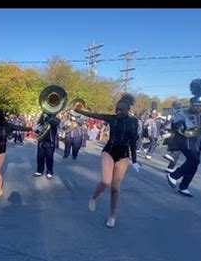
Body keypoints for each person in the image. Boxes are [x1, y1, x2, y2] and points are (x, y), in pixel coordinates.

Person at [74, 93, 140, 228]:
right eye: (117, 109)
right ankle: (94, 197)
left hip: (123, 155)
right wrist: (77, 110)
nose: (118, 112)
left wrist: (134, 160)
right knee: (105, 181)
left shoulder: (134, 122)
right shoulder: (112, 118)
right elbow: (95, 115)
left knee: (115, 188)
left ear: (128, 110)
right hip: (109, 151)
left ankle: (112, 216)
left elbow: (133, 141)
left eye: (121, 110)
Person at [34, 112, 61, 178]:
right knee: (40, 157)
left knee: (49, 158)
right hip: (41, 142)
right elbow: (36, 130)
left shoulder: (56, 119)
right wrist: (37, 129)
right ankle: (39, 171)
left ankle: (49, 171)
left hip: (50, 142)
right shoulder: (42, 120)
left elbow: (55, 124)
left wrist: (47, 117)